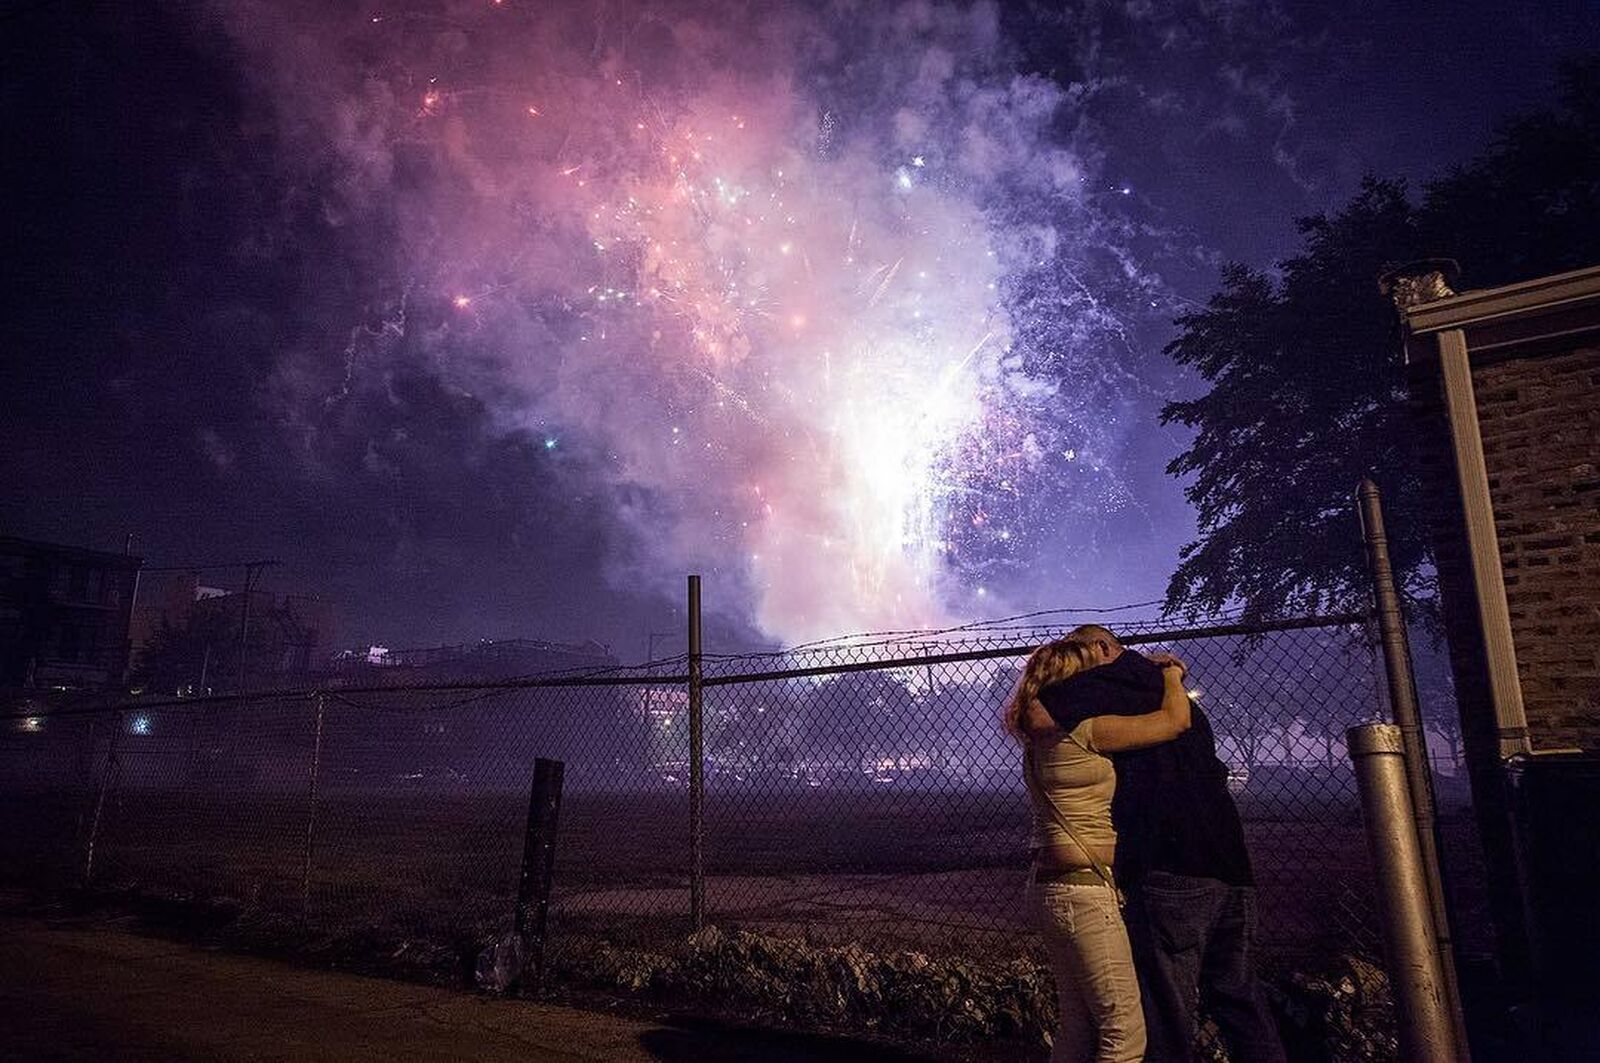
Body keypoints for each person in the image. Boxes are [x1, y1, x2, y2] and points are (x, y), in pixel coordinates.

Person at [1026, 624, 1287, 1063]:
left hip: (1170, 866)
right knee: (1240, 1001)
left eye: (1081, 653)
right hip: (1231, 863)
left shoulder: (1098, 685)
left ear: (1099, 648)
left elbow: (1035, 713)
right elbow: (1180, 723)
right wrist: (1168, 673)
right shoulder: (1167, 687)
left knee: (1160, 1018)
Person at [1005, 637, 1193, 1062]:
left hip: (1048, 888)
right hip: (1084, 894)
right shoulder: (1086, 730)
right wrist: (1171, 673)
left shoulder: (1038, 737)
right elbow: (1174, 721)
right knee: (1123, 1034)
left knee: (1078, 1025)